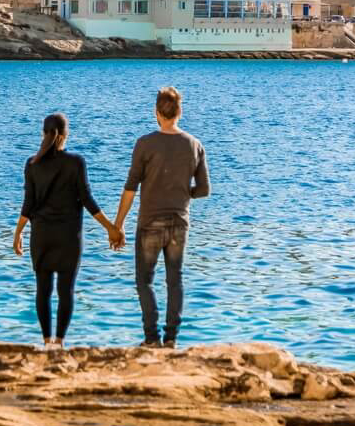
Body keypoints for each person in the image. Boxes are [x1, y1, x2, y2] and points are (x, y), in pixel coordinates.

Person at [13, 113, 124, 348]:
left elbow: (28, 204)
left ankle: (46, 342)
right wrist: (111, 228)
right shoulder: (76, 162)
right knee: (66, 291)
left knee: (43, 290)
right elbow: (88, 200)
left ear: (44, 134)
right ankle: (59, 343)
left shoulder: (32, 164)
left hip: (41, 237)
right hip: (69, 238)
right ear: (65, 135)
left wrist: (18, 233)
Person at [113, 87, 210, 348]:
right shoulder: (194, 145)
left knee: (144, 280)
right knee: (174, 280)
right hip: (180, 223)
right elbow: (203, 190)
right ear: (180, 112)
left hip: (149, 223)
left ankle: (151, 338)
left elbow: (131, 187)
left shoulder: (145, 144)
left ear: (157, 113)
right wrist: (182, 192)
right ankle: (171, 340)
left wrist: (118, 225)